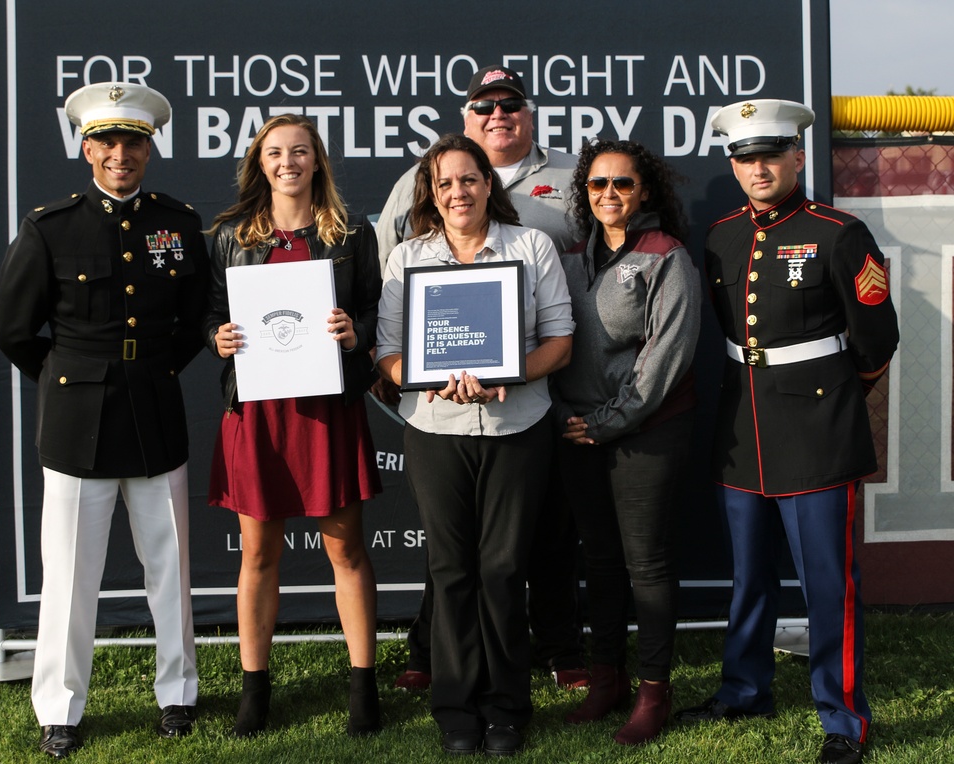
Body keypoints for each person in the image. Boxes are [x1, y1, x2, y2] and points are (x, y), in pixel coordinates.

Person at [674, 100, 899, 764]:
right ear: (733, 166)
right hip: (744, 430)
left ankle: (842, 715)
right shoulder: (719, 237)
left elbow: (876, 342)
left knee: (828, 583)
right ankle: (746, 688)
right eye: (744, 157)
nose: (758, 167)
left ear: (798, 157)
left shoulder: (839, 233)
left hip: (819, 432)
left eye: (770, 154)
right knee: (749, 578)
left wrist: (830, 400)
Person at [0, 82, 206, 759]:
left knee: (169, 565)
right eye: (108, 141)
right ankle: (60, 708)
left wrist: (150, 365)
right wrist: (71, 379)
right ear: (86, 148)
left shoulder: (177, 222)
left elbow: (194, 316)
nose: (122, 154)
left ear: (150, 149)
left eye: (134, 142)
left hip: (153, 408)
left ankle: (178, 694)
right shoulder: (50, 227)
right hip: (75, 418)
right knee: (72, 574)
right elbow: (14, 330)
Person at [377, 63, 588, 694]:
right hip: (441, 411)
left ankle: (542, 658)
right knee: (452, 554)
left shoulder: (570, 181)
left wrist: (513, 372)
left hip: (543, 390)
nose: (498, 114)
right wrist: (415, 376)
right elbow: (390, 305)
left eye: (510, 103)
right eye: (483, 105)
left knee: (532, 539)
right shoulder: (412, 245)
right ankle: (443, 666)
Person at [203, 114, 383, 738]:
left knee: (347, 549)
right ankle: (255, 692)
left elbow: (373, 308)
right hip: (257, 411)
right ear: (259, 162)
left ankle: (364, 688)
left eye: (300, 151)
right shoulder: (228, 234)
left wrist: (355, 332)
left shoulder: (352, 232)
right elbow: (211, 311)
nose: (288, 162)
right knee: (258, 555)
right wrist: (216, 336)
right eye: (275, 152)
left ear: (317, 161)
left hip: (326, 410)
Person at [553, 139, 700, 745]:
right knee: (601, 562)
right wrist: (566, 415)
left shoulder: (667, 256)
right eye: (597, 184)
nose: (609, 195)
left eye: (623, 184)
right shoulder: (567, 258)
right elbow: (550, 343)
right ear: (584, 192)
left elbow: (666, 359)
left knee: (647, 565)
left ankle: (653, 692)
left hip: (646, 432)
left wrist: (610, 421)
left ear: (645, 191)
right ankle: (606, 679)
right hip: (578, 432)